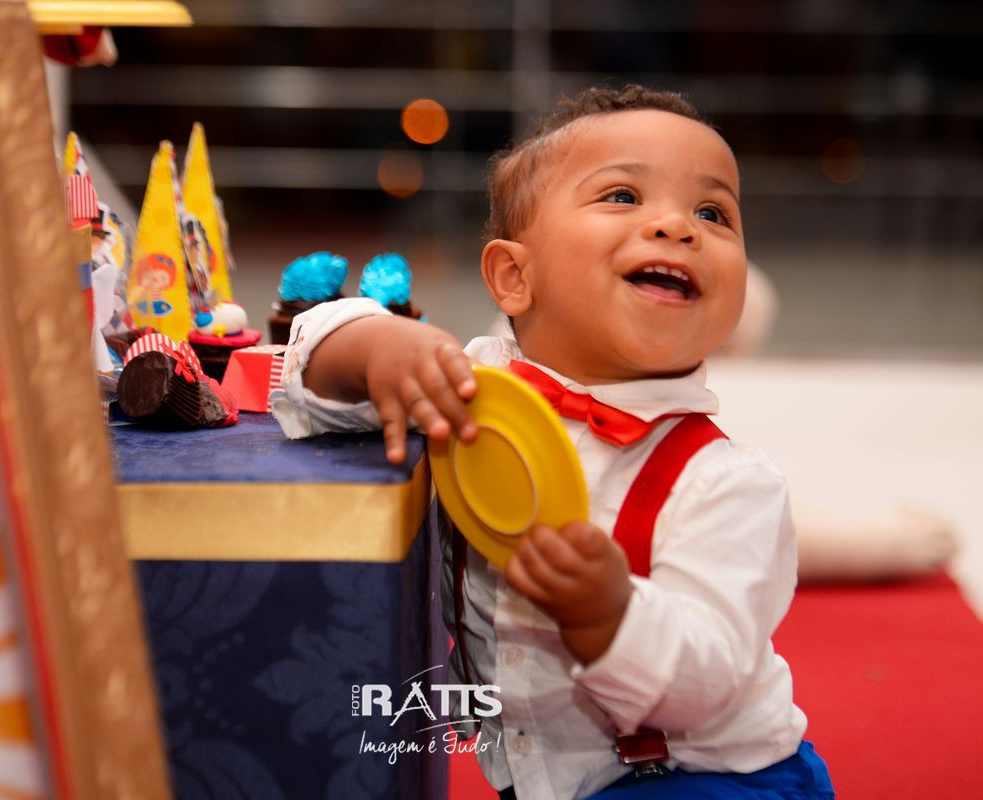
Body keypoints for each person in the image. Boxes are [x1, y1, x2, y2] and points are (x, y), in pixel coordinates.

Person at [271, 85, 835, 799]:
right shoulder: (468, 389)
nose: (677, 226)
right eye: (623, 195)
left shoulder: (725, 482)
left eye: (712, 212)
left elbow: (713, 678)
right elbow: (305, 387)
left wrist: (613, 616)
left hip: (705, 779)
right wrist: (370, 347)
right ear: (514, 276)